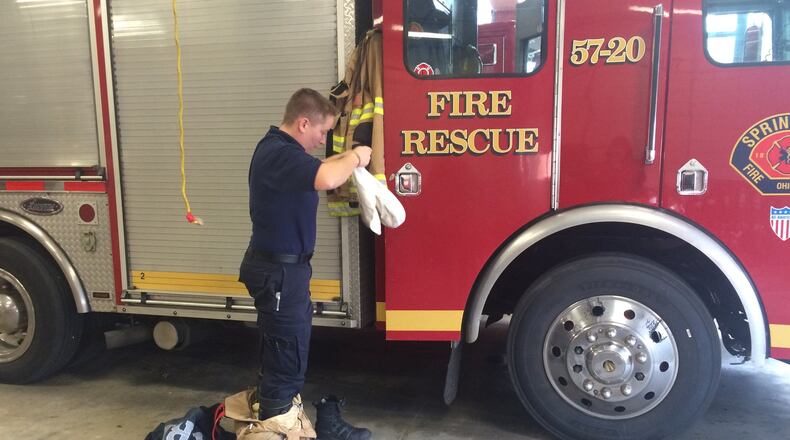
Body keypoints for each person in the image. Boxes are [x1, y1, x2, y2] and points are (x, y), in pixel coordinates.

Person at [239, 88, 373, 440]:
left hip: (284, 271)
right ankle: (276, 429)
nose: (322, 140)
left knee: (282, 353)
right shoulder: (279, 154)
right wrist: (358, 157)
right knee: (286, 361)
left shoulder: (280, 151)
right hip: (280, 273)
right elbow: (328, 177)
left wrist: (347, 157)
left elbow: (322, 168)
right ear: (303, 123)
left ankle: (282, 422)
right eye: (322, 132)